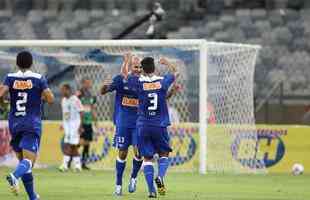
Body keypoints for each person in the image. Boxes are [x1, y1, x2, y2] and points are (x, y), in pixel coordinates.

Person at [0, 51, 54, 200]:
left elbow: (0, 94)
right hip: (31, 123)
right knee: (29, 161)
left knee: (24, 162)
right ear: (31, 63)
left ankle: (32, 197)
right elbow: (50, 99)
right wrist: (40, 95)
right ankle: (14, 176)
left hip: (15, 124)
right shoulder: (38, 78)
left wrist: (5, 102)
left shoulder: (10, 78)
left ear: (17, 63)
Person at [127, 57, 178, 198]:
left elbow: (127, 76)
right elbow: (176, 72)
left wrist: (129, 62)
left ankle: (151, 191)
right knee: (164, 154)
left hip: (143, 125)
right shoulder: (162, 81)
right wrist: (167, 62)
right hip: (159, 124)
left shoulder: (137, 82)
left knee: (147, 158)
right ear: (154, 68)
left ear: (142, 69)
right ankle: (160, 177)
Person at [101, 54, 143, 196]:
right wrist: (104, 87)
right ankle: (118, 185)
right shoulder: (120, 80)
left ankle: (133, 177)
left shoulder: (144, 82)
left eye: (140, 67)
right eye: (135, 66)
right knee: (123, 152)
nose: (138, 69)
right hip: (123, 123)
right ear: (129, 67)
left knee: (139, 152)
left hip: (139, 123)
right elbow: (104, 91)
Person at [59, 84, 83, 172]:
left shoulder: (75, 99)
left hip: (75, 125)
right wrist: (63, 124)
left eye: (63, 90)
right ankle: (77, 165)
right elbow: (65, 114)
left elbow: (81, 112)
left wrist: (81, 126)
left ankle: (65, 165)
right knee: (72, 146)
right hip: (67, 126)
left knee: (69, 145)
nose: (61, 92)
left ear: (68, 90)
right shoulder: (63, 100)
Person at [76, 78, 97, 170]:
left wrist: (95, 120)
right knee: (80, 142)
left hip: (88, 121)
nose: (89, 85)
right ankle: (69, 158)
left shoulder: (91, 95)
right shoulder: (79, 94)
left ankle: (83, 163)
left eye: (90, 83)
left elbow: (92, 108)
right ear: (82, 83)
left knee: (87, 142)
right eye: (87, 83)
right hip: (80, 122)